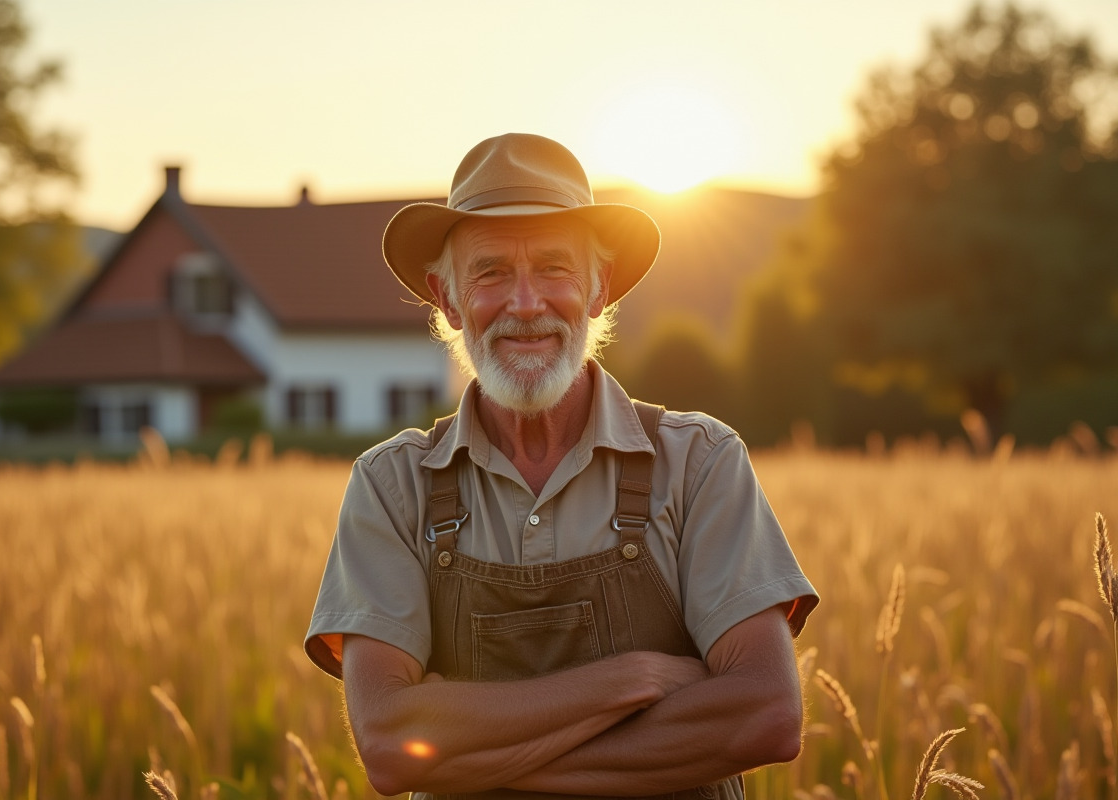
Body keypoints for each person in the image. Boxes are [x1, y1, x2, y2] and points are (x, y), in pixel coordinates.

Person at [304, 133, 819, 800]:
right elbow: (390, 747)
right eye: (490, 272)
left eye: (555, 268)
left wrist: (476, 761)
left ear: (599, 287)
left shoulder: (700, 463)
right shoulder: (391, 486)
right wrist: (631, 679)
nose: (525, 304)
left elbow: (766, 717)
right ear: (449, 299)